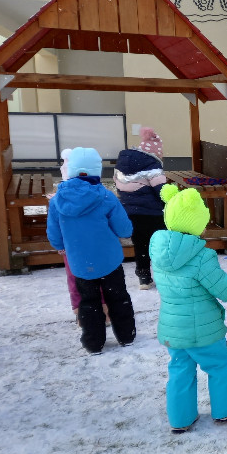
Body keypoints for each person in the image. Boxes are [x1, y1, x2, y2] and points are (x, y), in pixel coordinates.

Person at [149, 184, 227, 433]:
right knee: (219, 364)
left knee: (180, 370)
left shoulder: (159, 253)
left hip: (173, 330)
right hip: (202, 330)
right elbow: (225, 290)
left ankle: (180, 418)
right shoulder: (201, 257)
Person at [47, 147, 136, 355]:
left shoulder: (58, 201)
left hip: (80, 262)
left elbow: (54, 232)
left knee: (88, 302)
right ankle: (126, 335)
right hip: (109, 260)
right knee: (118, 297)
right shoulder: (106, 197)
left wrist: (60, 246)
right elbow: (124, 229)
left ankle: (93, 342)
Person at [50, 148, 109, 327]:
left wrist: (59, 245)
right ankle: (104, 311)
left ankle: (81, 313)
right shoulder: (101, 194)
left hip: (72, 247)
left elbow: (53, 227)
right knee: (100, 276)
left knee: (75, 278)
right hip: (96, 246)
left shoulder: (59, 199)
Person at [114, 127, 167, 290]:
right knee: (159, 244)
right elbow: (162, 191)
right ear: (156, 152)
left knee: (140, 245)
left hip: (131, 214)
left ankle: (144, 277)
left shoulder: (122, 165)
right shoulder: (152, 166)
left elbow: (119, 187)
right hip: (153, 214)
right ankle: (164, 276)